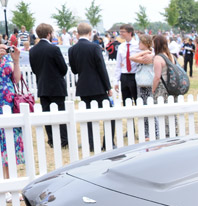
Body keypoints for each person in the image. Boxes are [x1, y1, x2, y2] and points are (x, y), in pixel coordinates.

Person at [68, 22, 115, 151]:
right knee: (109, 115)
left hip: (83, 86)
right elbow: (101, 68)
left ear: (77, 34)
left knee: (88, 118)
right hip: (98, 86)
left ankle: (92, 144)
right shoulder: (94, 48)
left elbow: (75, 70)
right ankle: (108, 142)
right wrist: (108, 87)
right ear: (90, 33)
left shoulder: (72, 49)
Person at [29, 23, 68, 148]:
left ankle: (51, 139)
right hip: (56, 86)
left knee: (46, 114)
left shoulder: (33, 50)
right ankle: (63, 139)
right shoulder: (54, 49)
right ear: (49, 34)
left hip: (42, 86)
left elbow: (34, 69)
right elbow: (63, 68)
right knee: (60, 114)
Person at [0, 43, 24, 180]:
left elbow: (16, 79)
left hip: (9, 103)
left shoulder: (7, 56)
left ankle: (10, 181)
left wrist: (16, 60)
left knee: (10, 143)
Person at [130, 34, 156, 140]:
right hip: (142, 83)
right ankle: (147, 132)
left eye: (140, 42)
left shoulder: (150, 54)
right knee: (144, 108)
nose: (138, 44)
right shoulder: (149, 53)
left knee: (149, 108)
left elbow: (132, 58)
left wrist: (146, 51)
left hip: (148, 83)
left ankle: (152, 131)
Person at [114, 24, 140, 106]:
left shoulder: (138, 45)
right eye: (120, 31)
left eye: (123, 32)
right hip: (124, 75)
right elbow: (118, 65)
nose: (120, 33)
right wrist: (116, 81)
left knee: (137, 99)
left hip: (135, 75)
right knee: (126, 101)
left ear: (130, 32)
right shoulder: (121, 46)